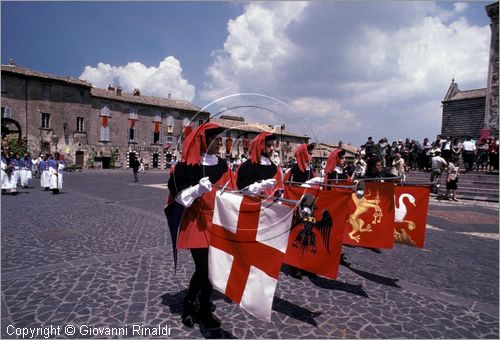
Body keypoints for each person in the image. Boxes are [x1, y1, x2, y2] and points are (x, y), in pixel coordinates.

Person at [166, 123, 234, 329]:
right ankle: (190, 305)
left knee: (211, 269)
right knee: (204, 268)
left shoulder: (223, 165)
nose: (220, 143)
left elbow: (232, 193)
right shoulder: (186, 166)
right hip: (197, 222)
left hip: (217, 222)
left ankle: (202, 307)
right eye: (216, 139)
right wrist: (196, 190)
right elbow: (177, 198)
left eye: (220, 139)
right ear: (204, 141)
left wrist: (252, 189)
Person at [236, 132, 284, 197]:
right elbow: (242, 190)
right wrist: (261, 185)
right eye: (269, 145)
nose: (272, 148)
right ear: (260, 146)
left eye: (273, 145)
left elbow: (279, 189)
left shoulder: (274, 168)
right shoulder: (247, 166)